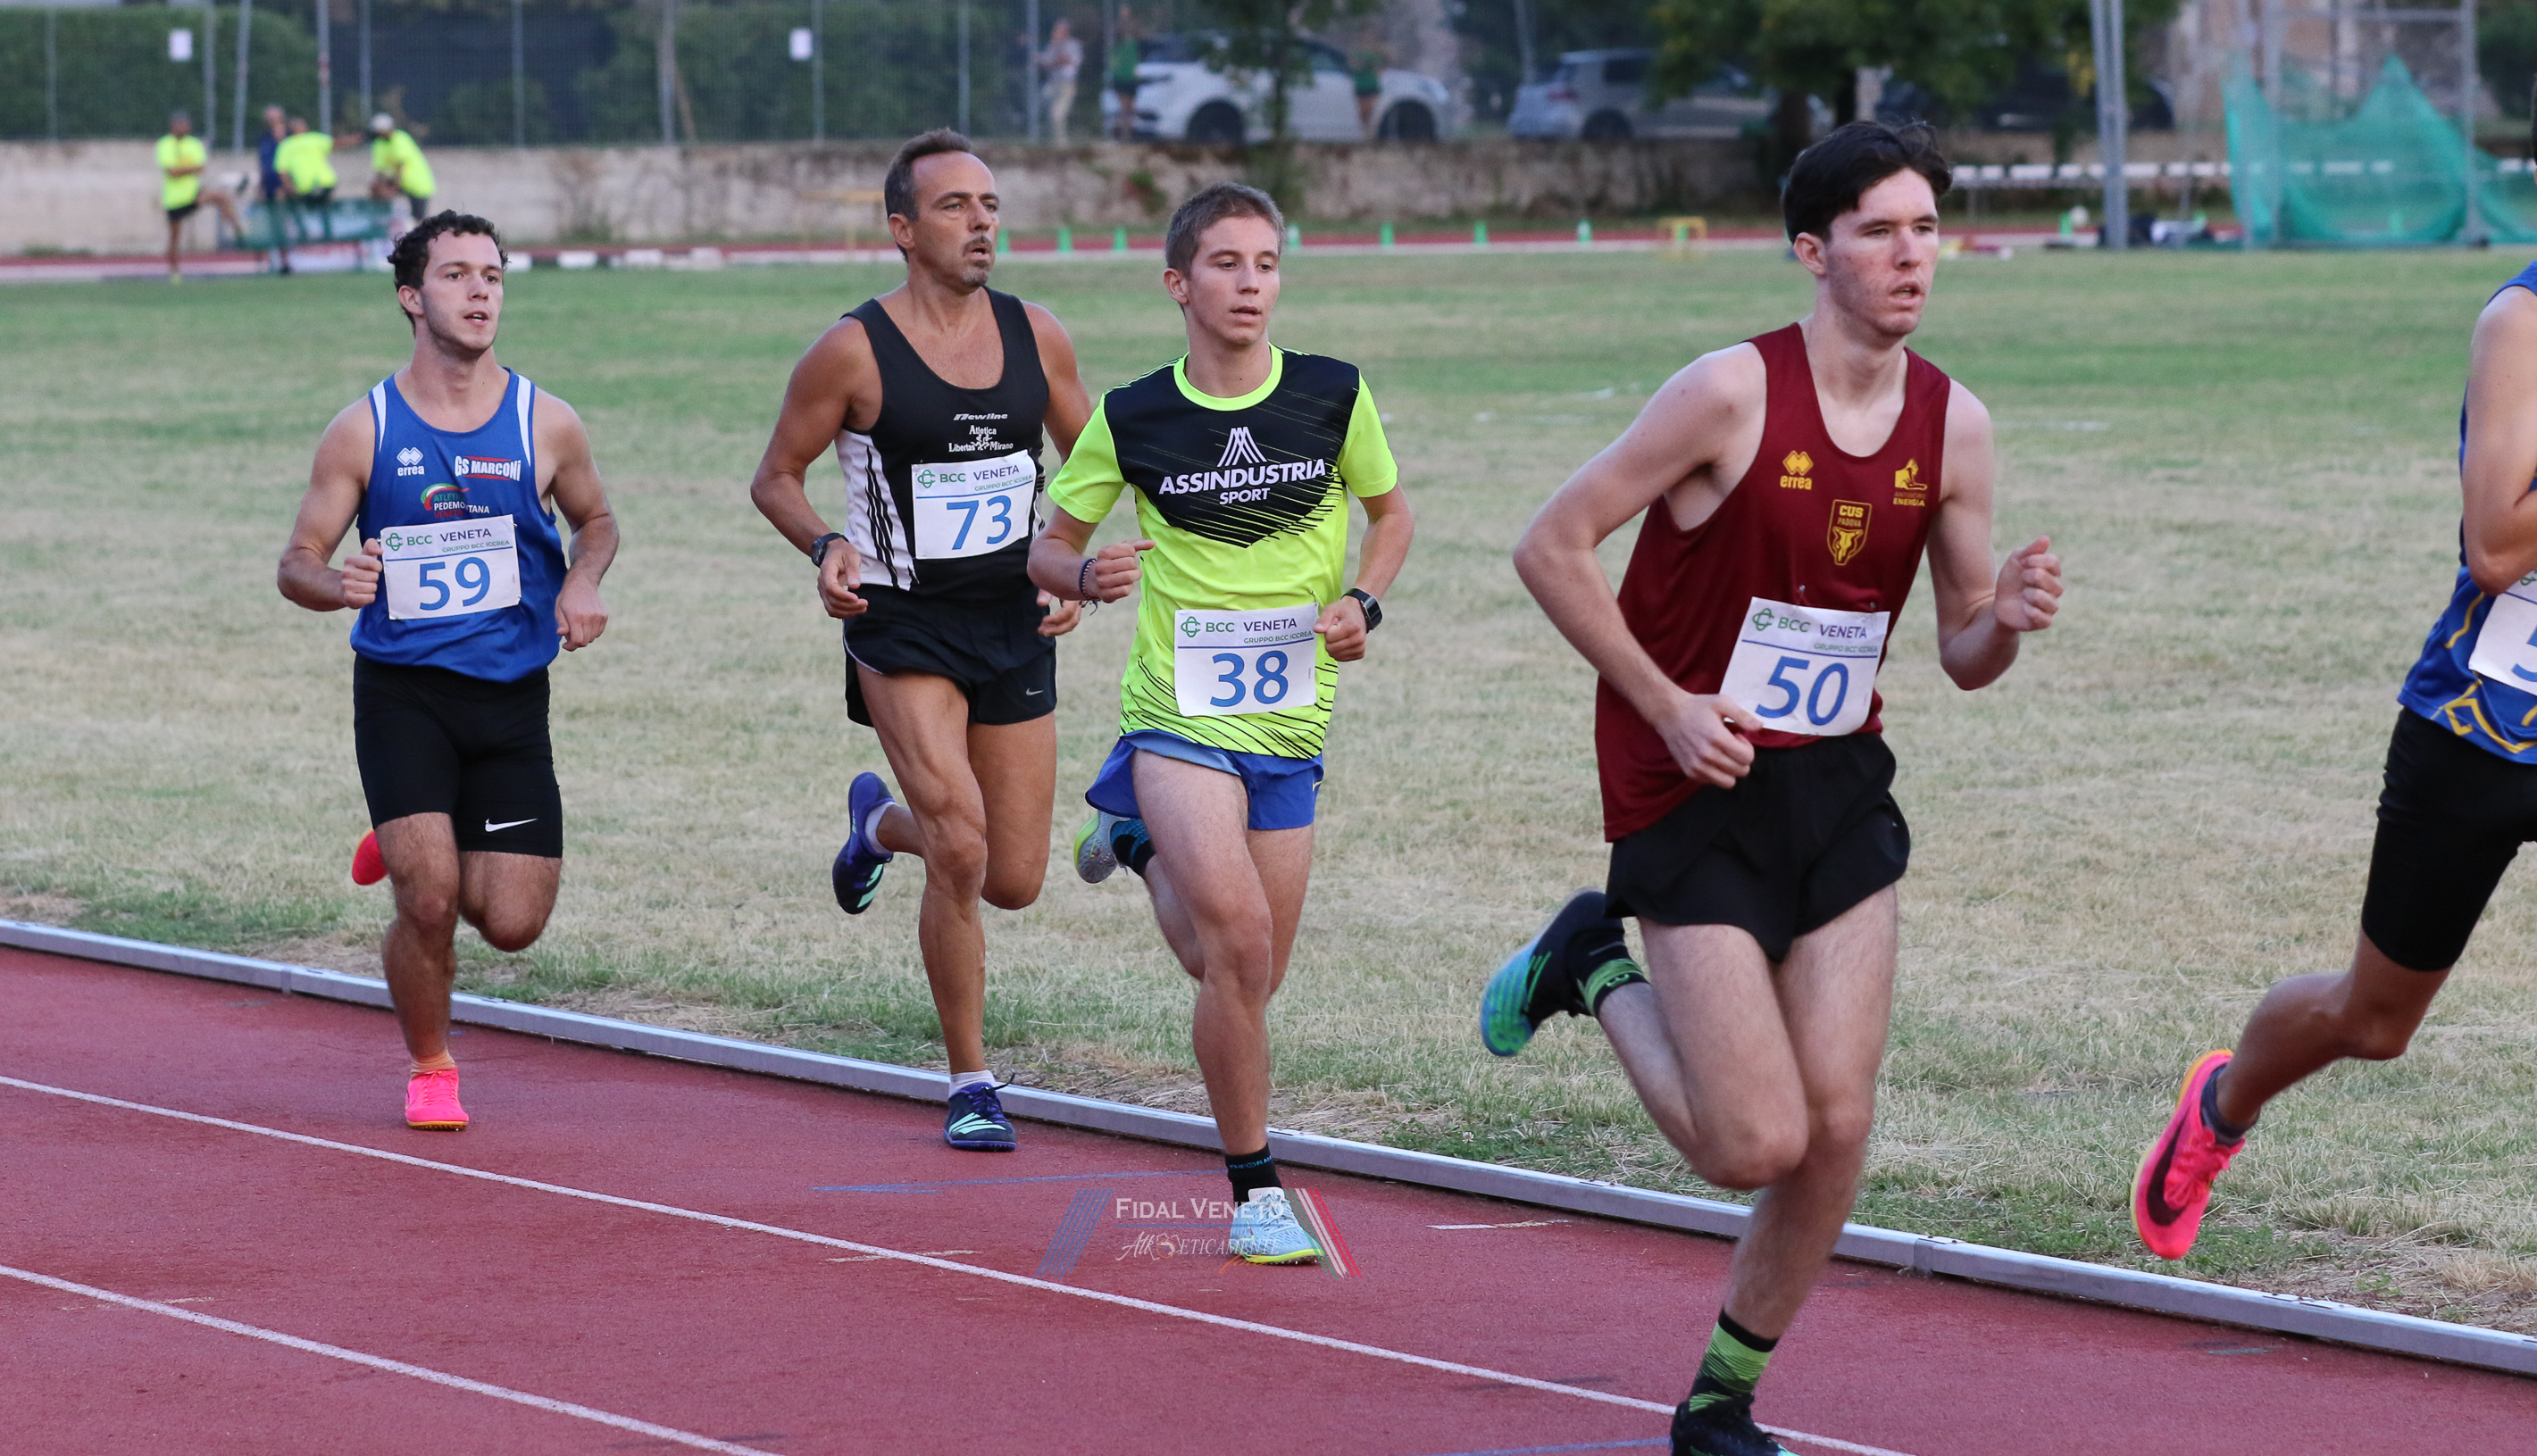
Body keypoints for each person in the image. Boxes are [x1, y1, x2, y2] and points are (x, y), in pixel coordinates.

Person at [1484, 121, 2061, 1456]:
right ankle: (1591, 962)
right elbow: (1552, 544)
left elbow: (1961, 650)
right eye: (1880, 230)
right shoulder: (1728, 394)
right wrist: (1668, 704)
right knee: (1751, 1143)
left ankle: (1719, 1401)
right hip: (1694, 785)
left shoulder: (1955, 423)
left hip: (1837, 786)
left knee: (1837, 1124)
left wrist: (2009, 618)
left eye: (1927, 228)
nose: (1912, 255)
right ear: (1814, 251)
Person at [1029, 181, 1415, 1264]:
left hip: (1290, 724)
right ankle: (1255, 1188)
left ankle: (1133, 841)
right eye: (1227, 263)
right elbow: (1047, 546)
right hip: (1177, 713)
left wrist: (1365, 600)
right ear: (1179, 283)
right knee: (1237, 940)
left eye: (1267, 263)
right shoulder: (1134, 413)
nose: (1251, 284)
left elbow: (1392, 514)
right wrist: (1083, 574)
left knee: (1242, 970)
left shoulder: (1333, 394)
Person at [2130, 243, 2537, 1262]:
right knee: (2374, 1021)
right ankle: (2220, 1108)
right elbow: (2495, 545)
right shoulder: (2522, 322)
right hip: (2484, 727)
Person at [750, 128, 1093, 1152]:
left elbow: (1093, 464)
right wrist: (827, 544)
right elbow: (775, 474)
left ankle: (875, 825)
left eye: (990, 205)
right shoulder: (853, 349)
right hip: (900, 622)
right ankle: (972, 1080)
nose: (981, 223)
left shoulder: (1038, 334)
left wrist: (1067, 560)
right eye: (954, 206)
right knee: (963, 844)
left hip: (1012, 619)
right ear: (902, 228)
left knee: (1013, 875)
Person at [275, 211, 619, 1132]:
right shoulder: (364, 428)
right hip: (405, 692)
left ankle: (406, 836)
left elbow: (596, 520)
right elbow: (297, 560)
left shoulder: (547, 420)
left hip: (512, 701)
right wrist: (335, 583)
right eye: (457, 274)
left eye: (492, 276)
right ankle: (431, 1064)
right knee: (428, 901)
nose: (479, 292)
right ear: (410, 296)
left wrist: (582, 580)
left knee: (513, 923)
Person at [157, 110, 243, 282]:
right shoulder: (165, 144)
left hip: (193, 196)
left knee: (221, 198)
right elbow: (172, 171)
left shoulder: (194, 144)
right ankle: (174, 270)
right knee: (174, 237)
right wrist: (189, 169)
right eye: (178, 124)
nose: (181, 127)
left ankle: (239, 231)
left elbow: (200, 168)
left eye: (184, 124)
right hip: (174, 199)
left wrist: (182, 170)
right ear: (173, 126)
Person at [366, 112, 437, 223]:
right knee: (378, 192)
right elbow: (379, 169)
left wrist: (392, 188)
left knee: (418, 218)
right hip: (399, 183)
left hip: (416, 184)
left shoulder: (400, 139)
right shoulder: (379, 143)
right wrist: (379, 187)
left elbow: (400, 166)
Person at [277, 113, 339, 208]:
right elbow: (283, 170)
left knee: (317, 210)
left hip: (317, 184)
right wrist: (290, 188)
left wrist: (290, 189)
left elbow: (282, 171)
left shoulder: (312, 139)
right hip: (313, 185)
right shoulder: (288, 145)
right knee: (321, 210)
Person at [1039, 18, 1083, 146]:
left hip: (1066, 86)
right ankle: (1048, 139)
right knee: (1040, 105)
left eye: (1057, 30)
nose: (1054, 33)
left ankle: (1061, 143)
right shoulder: (1053, 45)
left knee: (1057, 114)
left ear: (1065, 31)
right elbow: (1045, 61)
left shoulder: (1073, 45)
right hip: (1053, 84)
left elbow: (1068, 60)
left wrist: (1054, 60)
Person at [1109, 11, 1142, 140]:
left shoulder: (1132, 42)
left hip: (1130, 78)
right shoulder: (1116, 46)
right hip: (1122, 79)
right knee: (1125, 107)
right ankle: (1123, 133)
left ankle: (1126, 132)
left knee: (1129, 108)